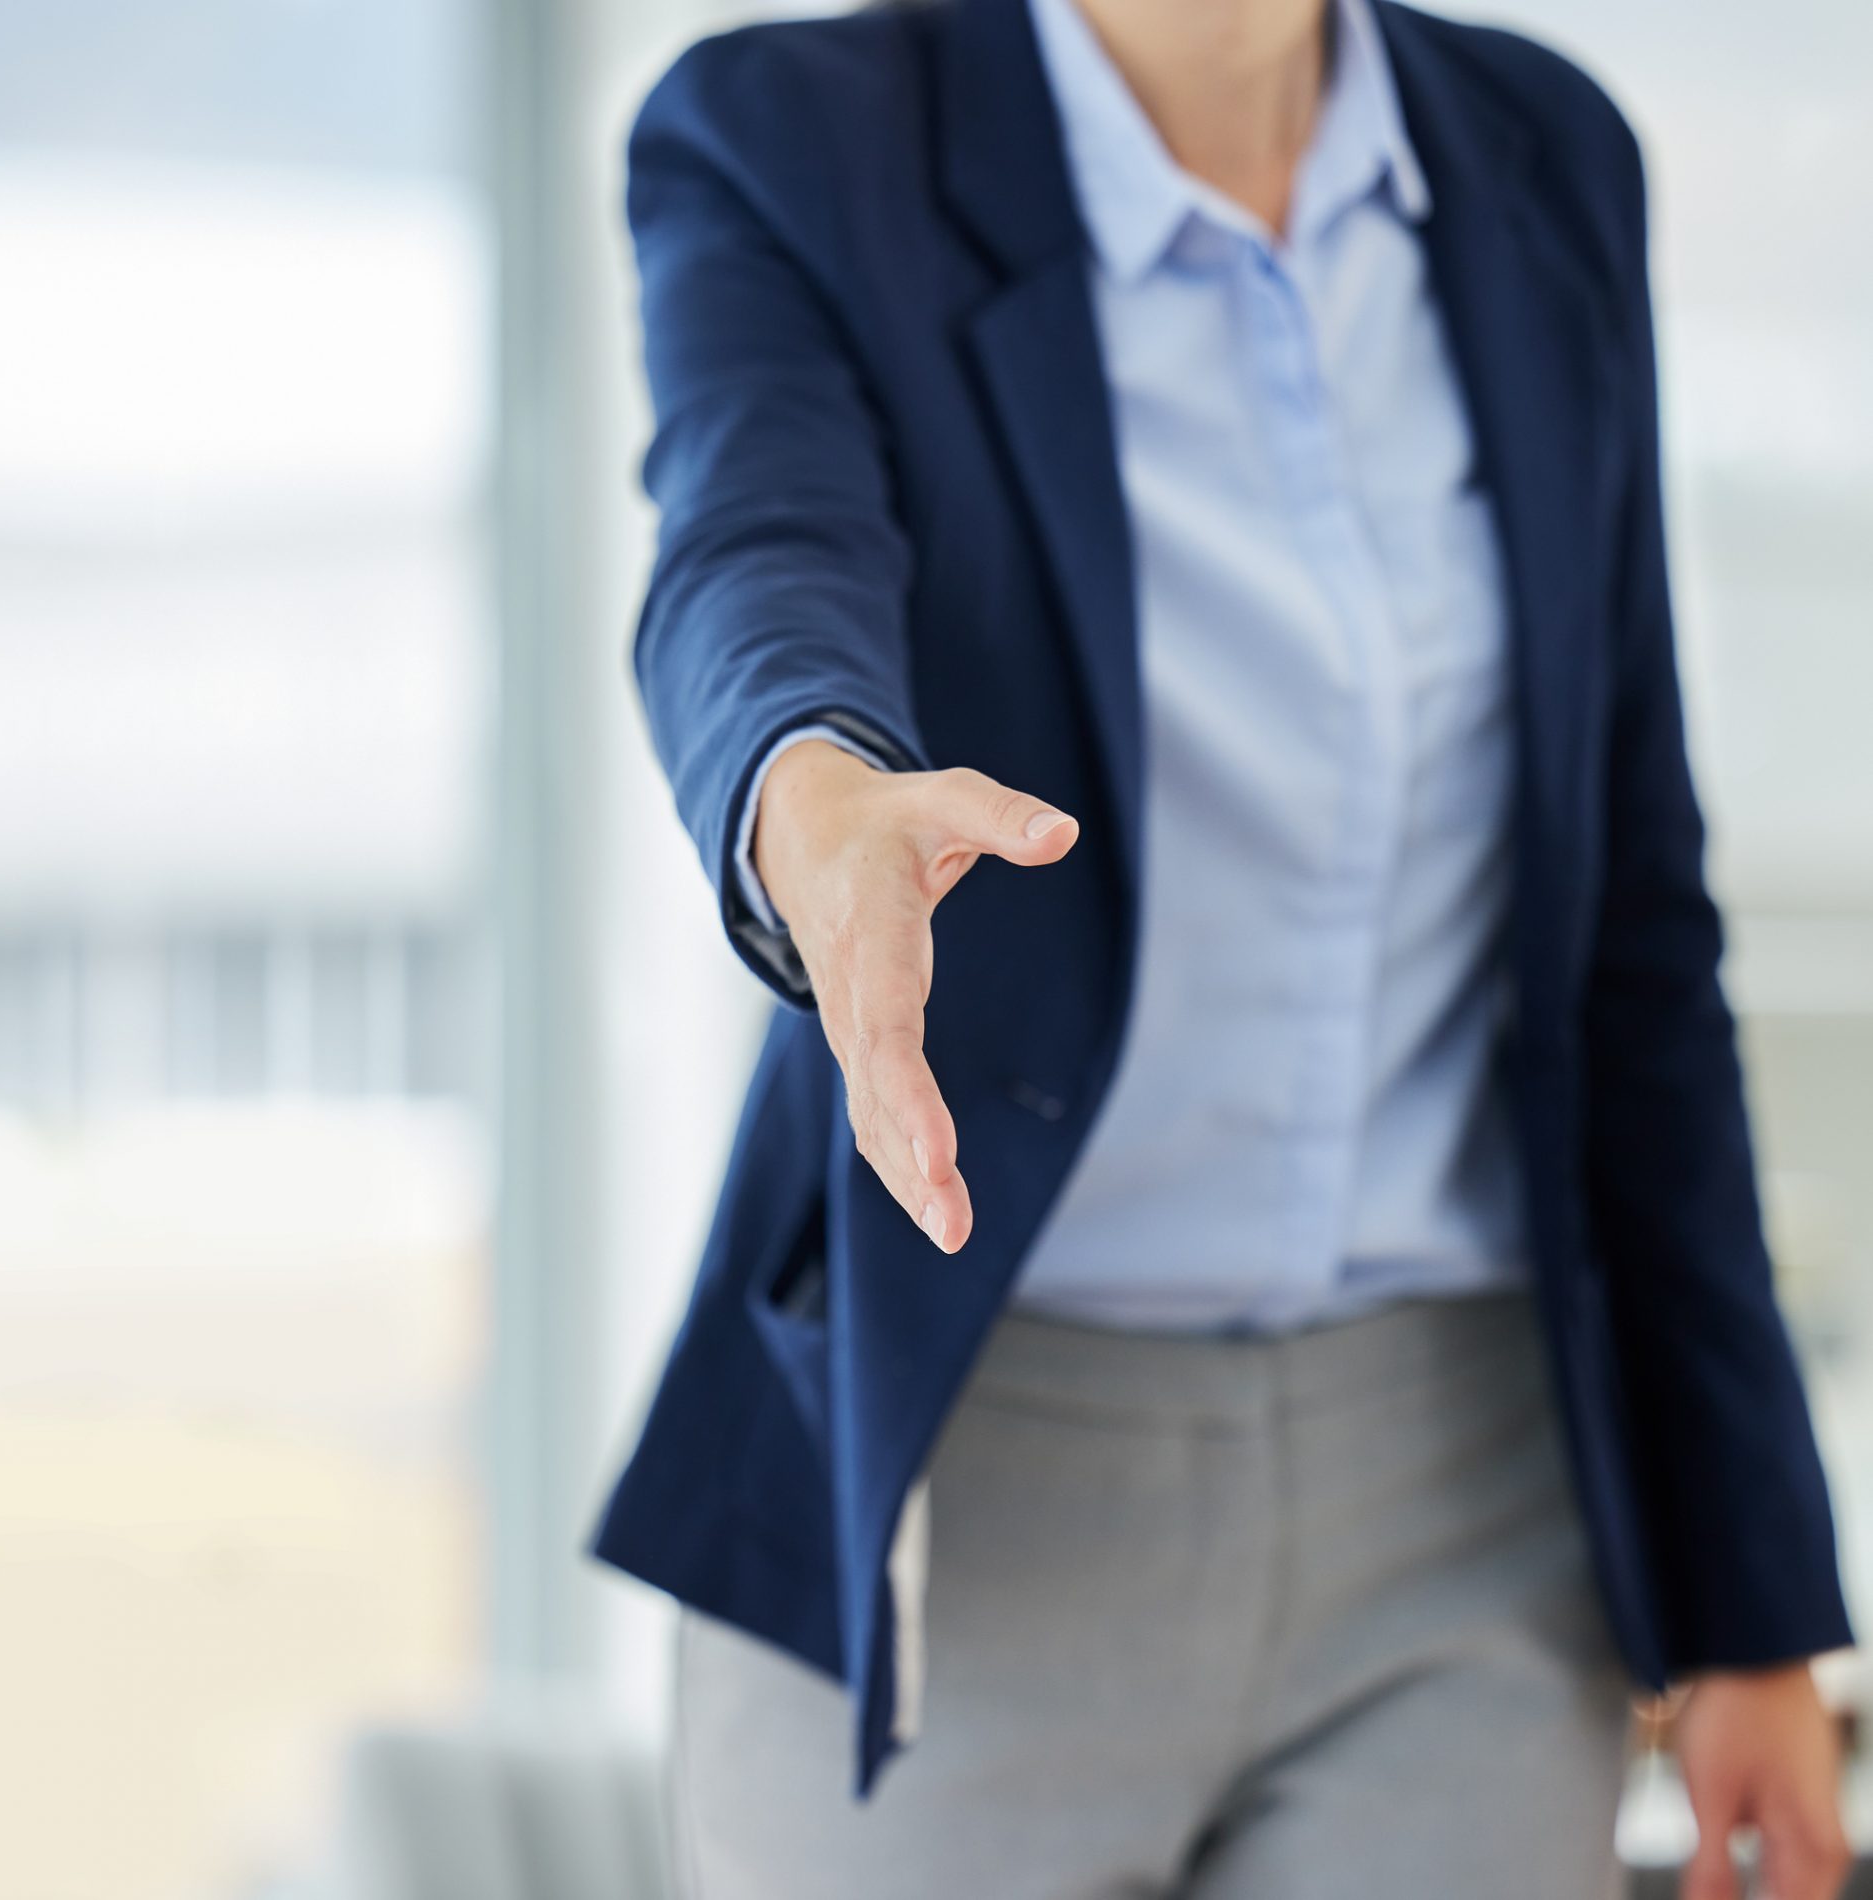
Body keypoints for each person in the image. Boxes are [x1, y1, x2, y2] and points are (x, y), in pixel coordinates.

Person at [590, 0, 1857, 1892]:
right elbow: (750, 547)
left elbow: (1632, 923)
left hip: (1467, 1521)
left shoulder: (1542, 153)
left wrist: (1754, 1601)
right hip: (973, 1473)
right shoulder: (793, 134)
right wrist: (809, 786)